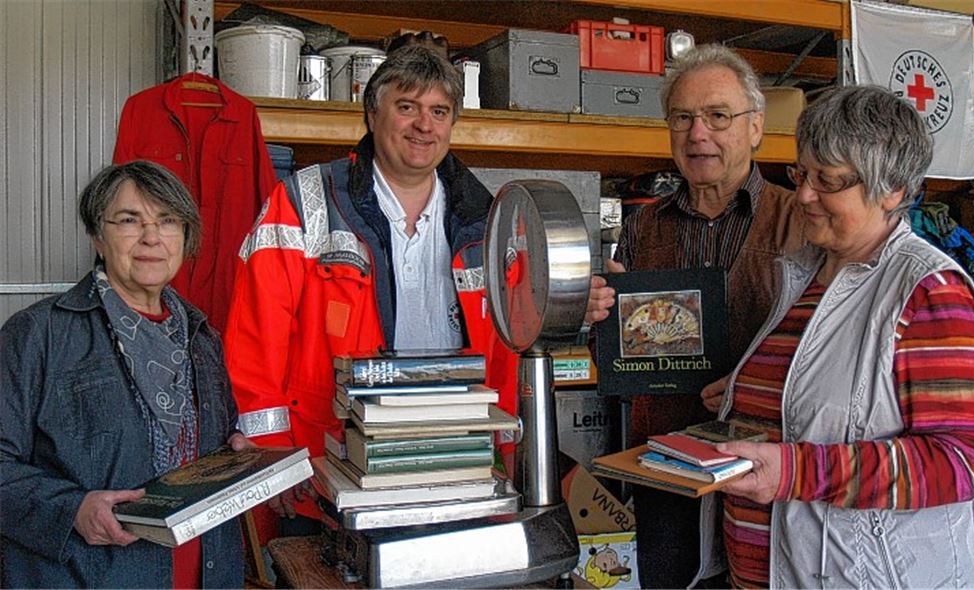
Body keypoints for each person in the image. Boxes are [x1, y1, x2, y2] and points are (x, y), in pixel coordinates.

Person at [705, 84, 974, 587]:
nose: (804, 195)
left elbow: (964, 461)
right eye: (802, 173)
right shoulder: (804, 274)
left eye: (829, 180)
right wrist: (744, 394)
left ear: (893, 191)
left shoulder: (928, 291)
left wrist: (793, 471)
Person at [224, 43, 517, 532]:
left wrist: (504, 452)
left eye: (439, 111)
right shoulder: (303, 200)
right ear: (372, 114)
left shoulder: (485, 217)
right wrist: (273, 453)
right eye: (407, 107)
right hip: (330, 464)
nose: (424, 125)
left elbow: (512, 340)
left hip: (456, 458)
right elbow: (257, 334)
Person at [585, 44, 804, 588]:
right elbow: (616, 357)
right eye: (682, 118)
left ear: (755, 127)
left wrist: (752, 382)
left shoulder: (800, 222)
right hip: (665, 469)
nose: (697, 133)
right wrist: (599, 319)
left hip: (766, 473)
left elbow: (826, 345)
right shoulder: (643, 227)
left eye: (717, 116)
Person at [0, 161, 255, 588]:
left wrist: (233, 454)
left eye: (168, 220)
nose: (151, 237)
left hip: (206, 573)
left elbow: (203, 448)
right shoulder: (38, 335)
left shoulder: (201, 336)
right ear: (98, 237)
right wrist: (73, 509)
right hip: (88, 576)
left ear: (185, 237)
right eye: (129, 220)